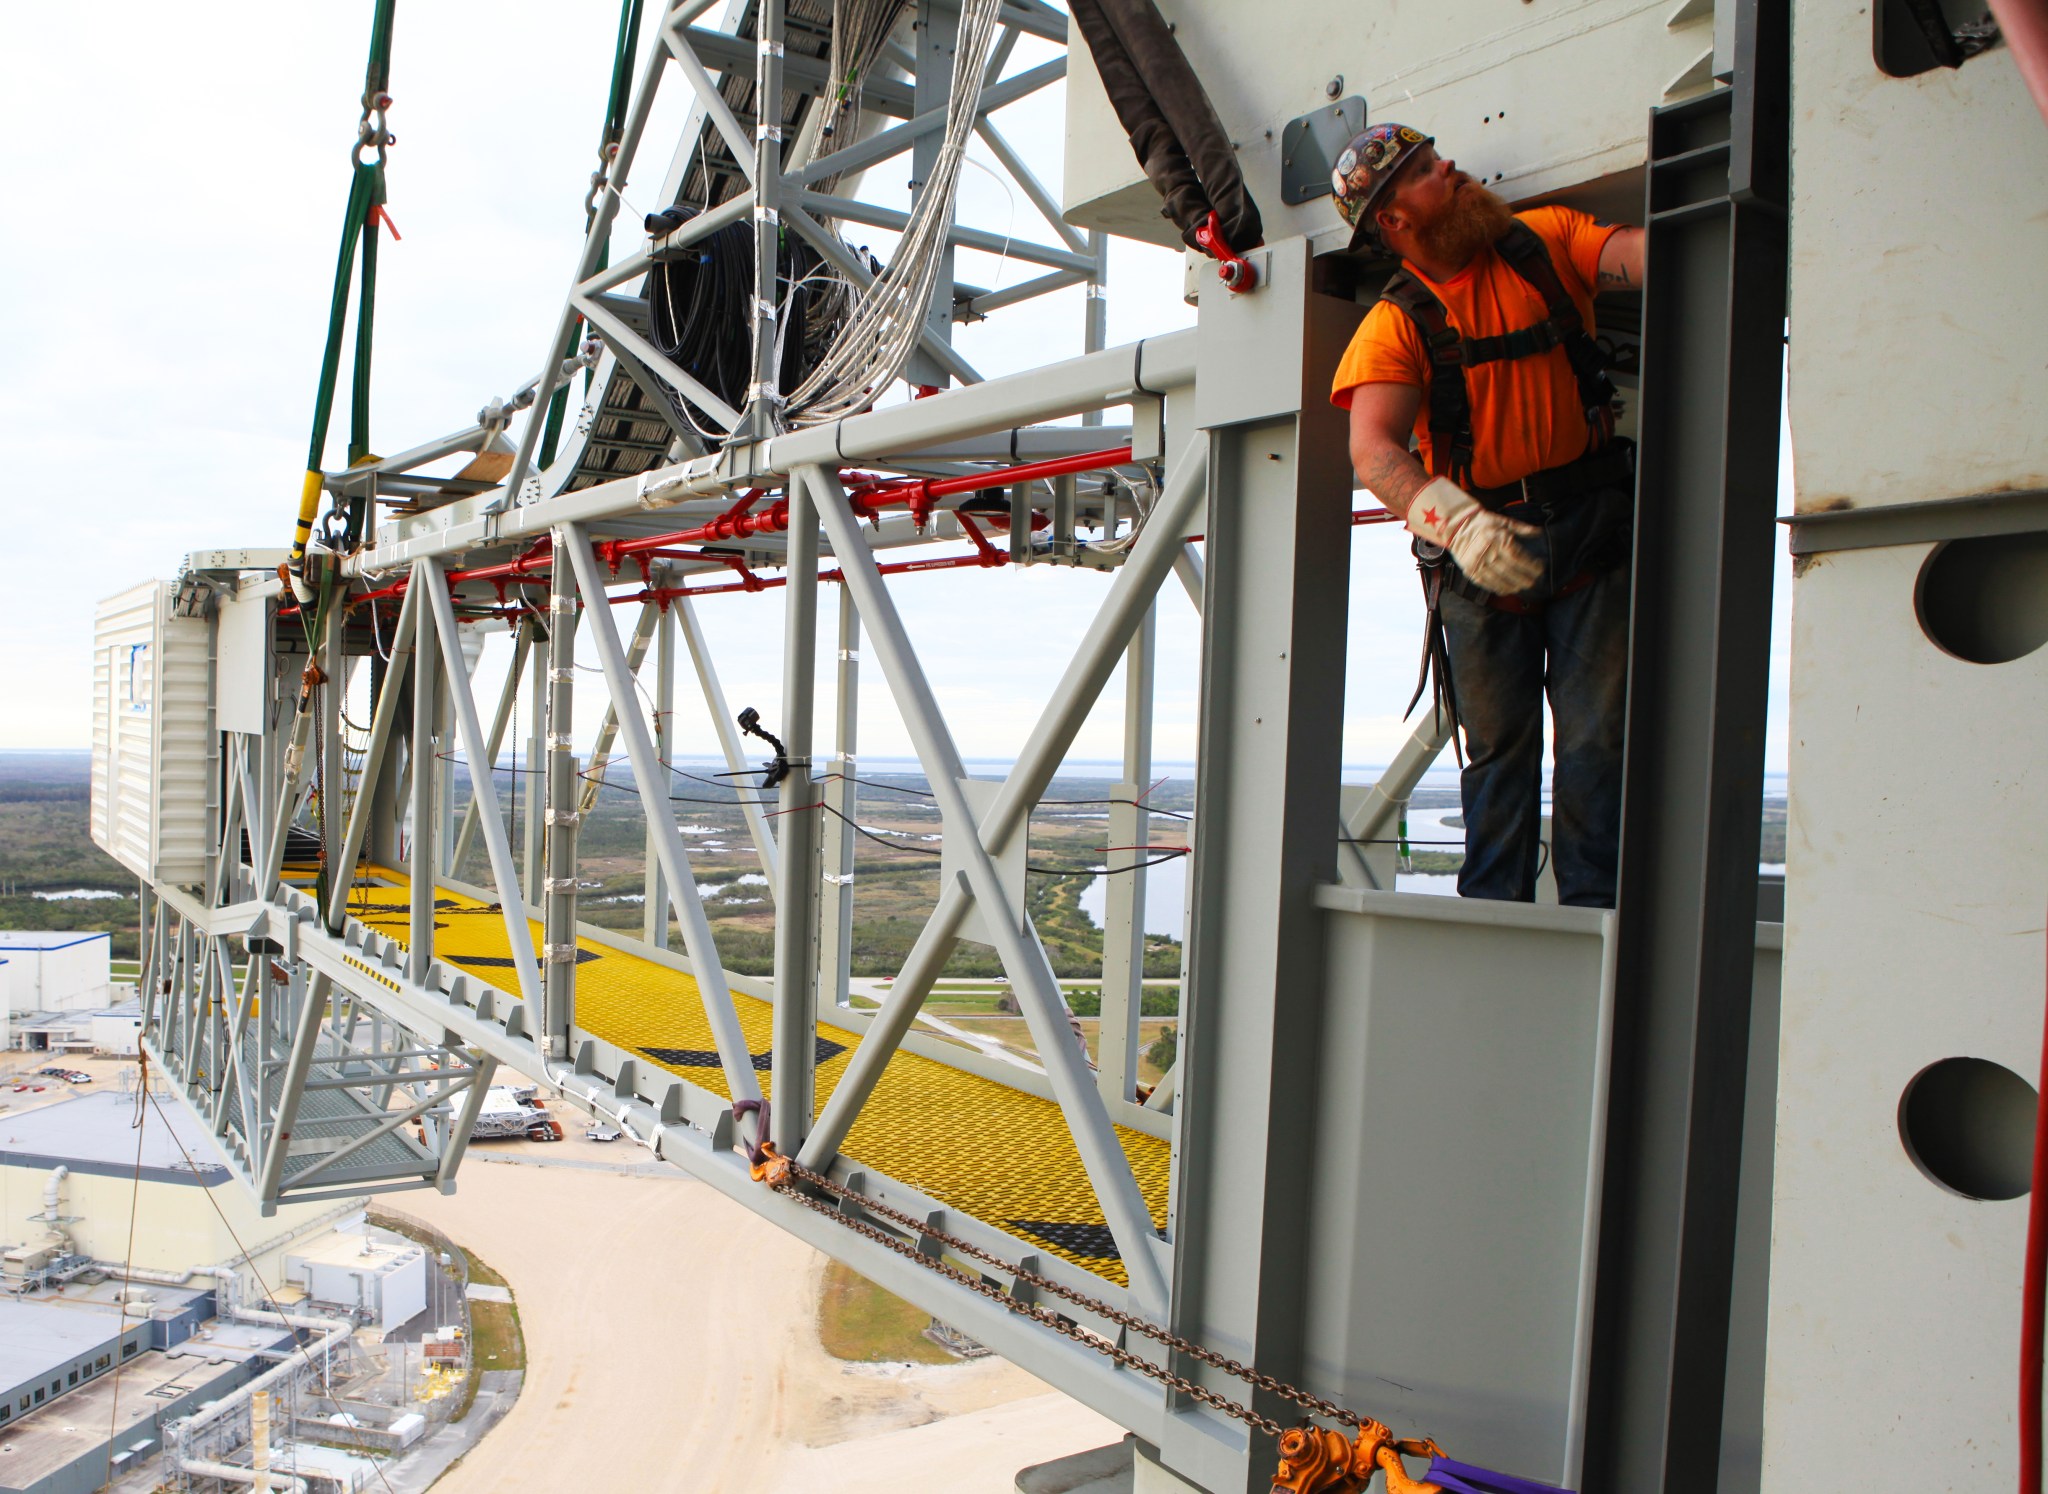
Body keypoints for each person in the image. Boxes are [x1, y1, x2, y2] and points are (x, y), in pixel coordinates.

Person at [1327, 123, 1646, 908]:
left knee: (1599, 741)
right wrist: (1457, 523)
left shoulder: (1542, 242)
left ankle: (1594, 917)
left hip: (1588, 529)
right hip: (1481, 556)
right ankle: (1494, 914)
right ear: (1396, 221)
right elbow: (1374, 450)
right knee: (1500, 750)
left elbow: (1632, 257)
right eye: (1431, 172)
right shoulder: (1398, 323)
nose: (1455, 170)